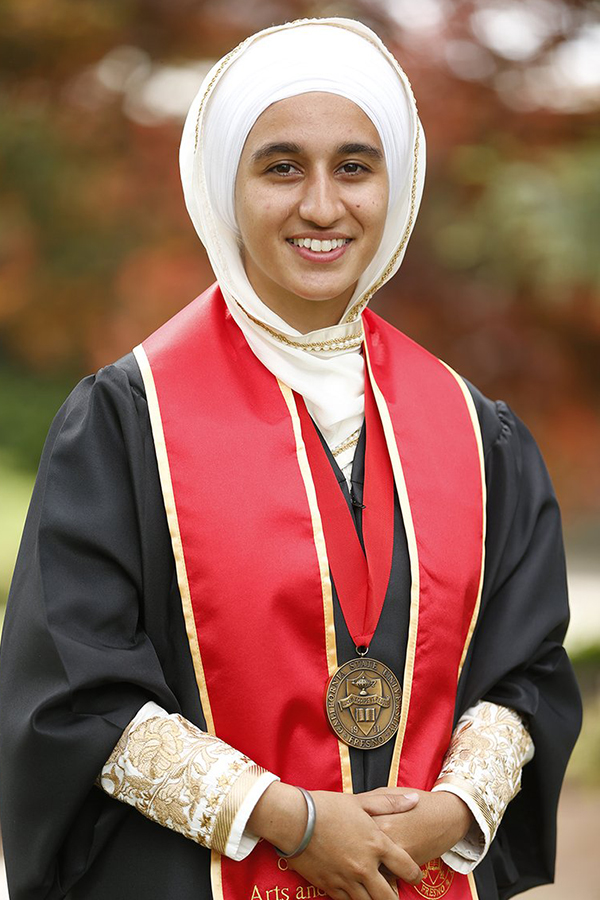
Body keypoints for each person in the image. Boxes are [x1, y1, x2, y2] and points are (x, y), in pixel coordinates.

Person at [0, 17, 581, 900]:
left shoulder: (478, 434)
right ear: (221, 186)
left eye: (354, 165)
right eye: (280, 166)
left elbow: (526, 673)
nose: (321, 206)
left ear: (398, 182)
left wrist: (452, 811)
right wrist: (289, 818)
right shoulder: (127, 423)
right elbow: (73, 695)